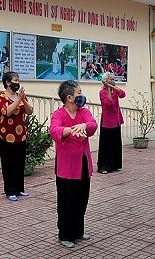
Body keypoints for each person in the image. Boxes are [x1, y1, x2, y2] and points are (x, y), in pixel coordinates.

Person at [49, 80, 98, 249]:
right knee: (66, 201)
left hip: (83, 163)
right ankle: (65, 234)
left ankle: (78, 230)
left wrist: (84, 125)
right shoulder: (58, 114)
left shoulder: (83, 112)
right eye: (79, 92)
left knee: (82, 198)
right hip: (66, 167)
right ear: (69, 97)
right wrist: (70, 129)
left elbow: (92, 125)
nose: (81, 95)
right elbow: (54, 130)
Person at [0, 71, 34, 201]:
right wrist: (18, 100)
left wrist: (23, 99)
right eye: (15, 80)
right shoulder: (1, 97)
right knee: (9, 164)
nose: (17, 83)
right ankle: (10, 190)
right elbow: (6, 112)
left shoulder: (20, 96)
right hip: (7, 136)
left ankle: (19, 188)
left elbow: (29, 111)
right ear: (7, 82)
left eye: (18, 80)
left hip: (21, 135)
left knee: (19, 163)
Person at [97, 72, 126, 174]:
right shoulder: (102, 92)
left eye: (114, 79)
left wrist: (114, 87)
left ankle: (115, 165)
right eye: (111, 79)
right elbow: (108, 103)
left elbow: (123, 94)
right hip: (107, 122)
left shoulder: (115, 91)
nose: (113, 81)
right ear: (105, 81)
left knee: (115, 143)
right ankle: (104, 166)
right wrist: (108, 88)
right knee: (106, 145)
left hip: (116, 120)